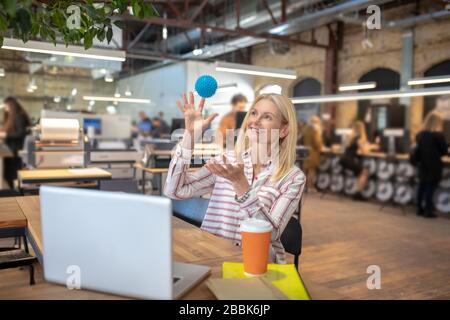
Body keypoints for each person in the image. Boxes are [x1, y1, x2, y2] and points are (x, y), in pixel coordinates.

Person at [164, 92, 305, 264]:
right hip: (213, 257)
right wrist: (189, 138)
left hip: (257, 265)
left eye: (267, 117)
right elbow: (174, 190)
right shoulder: (227, 160)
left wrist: (242, 186)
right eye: (253, 113)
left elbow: (270, 233)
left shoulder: (293, 178)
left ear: (283, 130)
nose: (255, 121)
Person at [414, 112, 448, 218]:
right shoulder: (438, 135)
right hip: (434, 166)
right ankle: (428, 210)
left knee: (422, 186)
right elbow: (444, 151)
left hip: (422, 165)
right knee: (430, 187)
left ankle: (419, 208)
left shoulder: (420, 134)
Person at [0, 97, 31, 189]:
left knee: (11, 175)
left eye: (6, 105)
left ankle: (15, 193)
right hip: (10, 150)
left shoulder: (19, 116)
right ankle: (14, 192)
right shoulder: (12, 116)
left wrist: (6, 135)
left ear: (11, 105)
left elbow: (21, 133)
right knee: (8, 175)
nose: (5, 107)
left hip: (16, 151)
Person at [340, 121, 372, 201]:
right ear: (362, 129)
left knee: (360, 172)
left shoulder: (351, 137)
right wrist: (371, 148)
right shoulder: (359, 138)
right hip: (349, 160)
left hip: (344, 159)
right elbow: (364, 151)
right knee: (365, 172)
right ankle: (358, 194)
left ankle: (357, 192)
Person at [302, 116, 324, 191]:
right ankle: (310, 186)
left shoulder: (306, 129)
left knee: (305, 170)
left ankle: (304, 186)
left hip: (306, 151)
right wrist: (321, 146)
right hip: (313, 153)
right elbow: (317, 143)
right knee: (312, 170)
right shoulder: (316, 130)